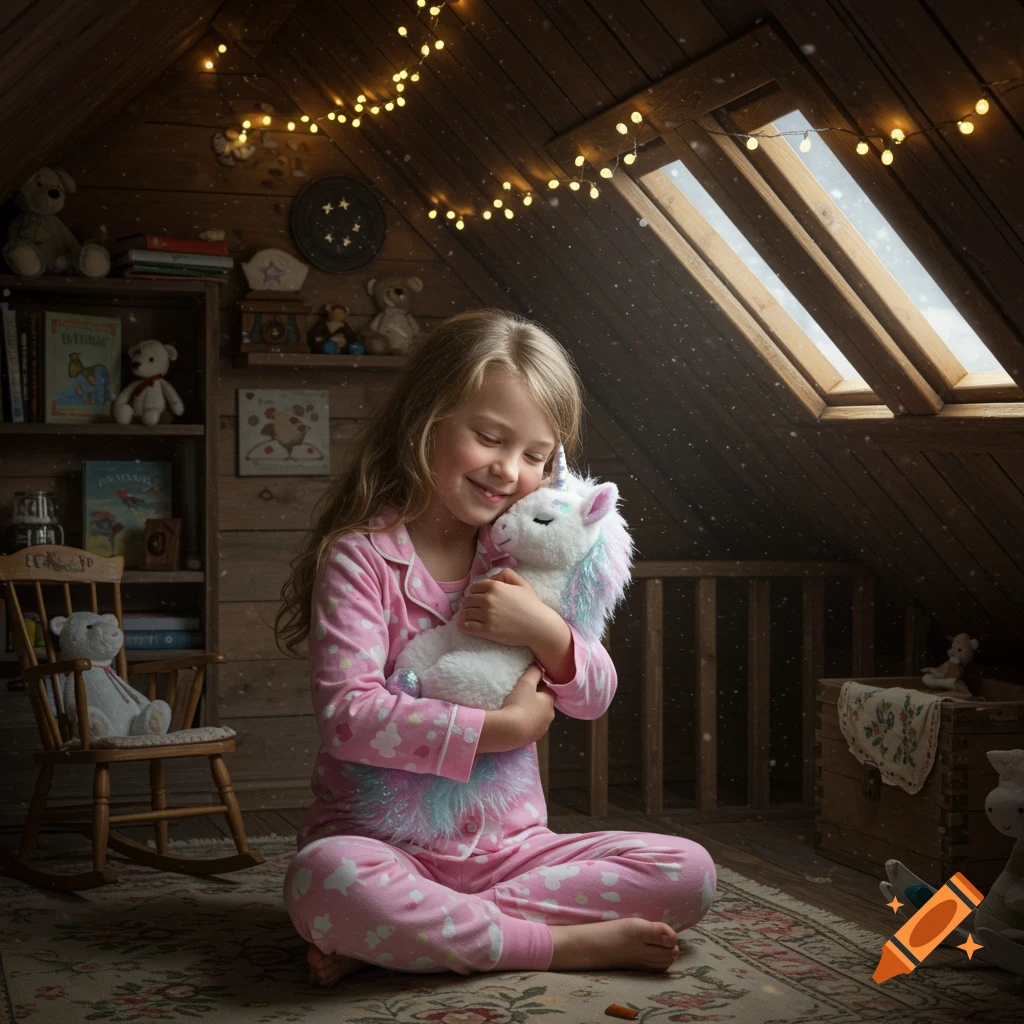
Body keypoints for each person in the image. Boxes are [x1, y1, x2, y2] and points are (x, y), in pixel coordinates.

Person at [276, 309, 716, 984]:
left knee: (688, 874)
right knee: (325, 880)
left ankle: (419, 931)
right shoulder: (361, 559)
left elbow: (595, 696)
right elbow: (347, 718)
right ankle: (556, 944)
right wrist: (501, 727)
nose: (510, 471)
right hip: (380, 847)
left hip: (513, 851)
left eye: (536, 456)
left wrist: (544, 630)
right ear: (425, 419)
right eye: (490, 438)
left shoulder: (530, 553)